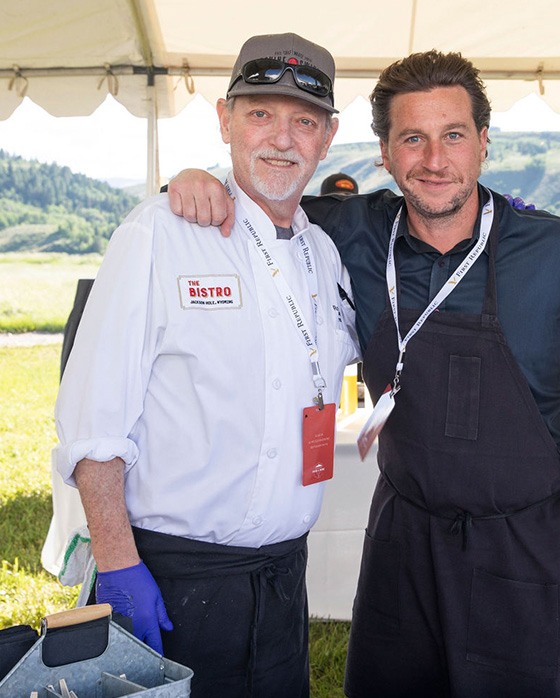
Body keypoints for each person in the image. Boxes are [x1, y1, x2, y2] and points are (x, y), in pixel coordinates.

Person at [166, 49, 560, 697]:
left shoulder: (554, 250)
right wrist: (199, 178)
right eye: (412, 139)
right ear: (384, 153)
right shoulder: (349, 230)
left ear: (482, 144)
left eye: (453, 136)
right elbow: (259, 203)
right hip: (403, 531)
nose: (434, 160)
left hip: (518, 541)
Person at [54, 32, 358, 698]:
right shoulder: (159, 232)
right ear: (224, 120)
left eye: (303, 121)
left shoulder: (324, 254)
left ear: (327, 136)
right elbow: (93, 420)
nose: (281, 139)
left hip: (281, 580)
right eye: (260, 114)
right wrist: (118, 565)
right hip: (171, 575)